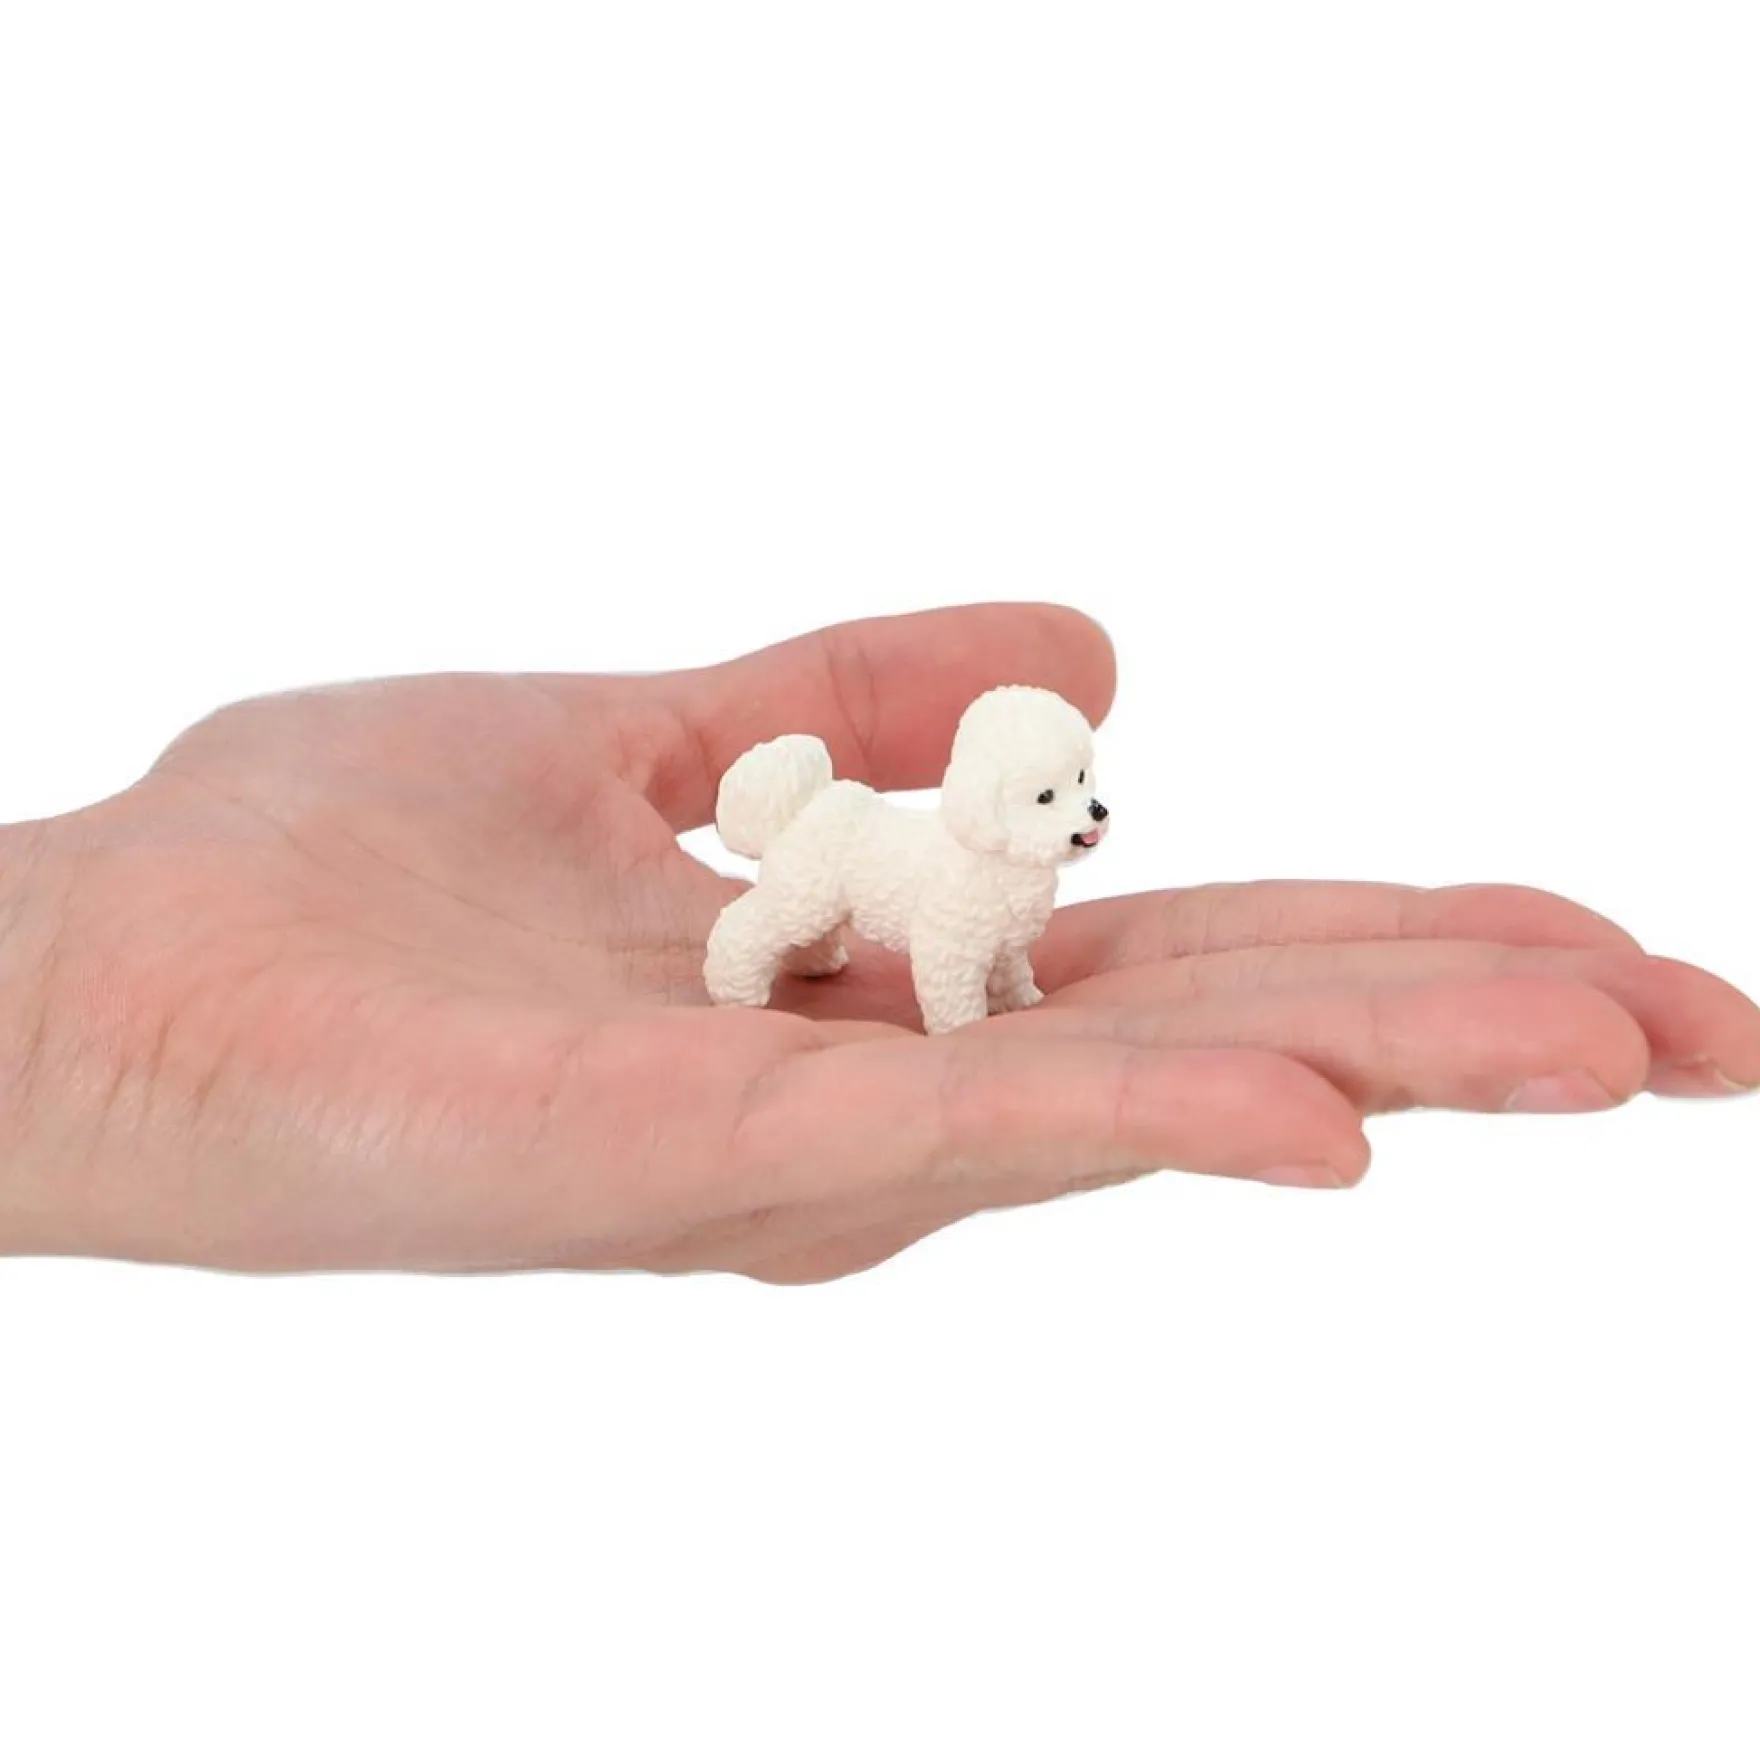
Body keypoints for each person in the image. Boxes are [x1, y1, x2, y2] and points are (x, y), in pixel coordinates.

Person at [0, 604, 1753, 1282]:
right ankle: (746, 964)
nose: (1082, 823)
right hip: (840, 863)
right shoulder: (926, 864)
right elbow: (949, 962)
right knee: (791, 916)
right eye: (1054, 804)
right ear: (990, 802)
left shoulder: (1012, 875)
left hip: (908, 874)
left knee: (988, 950)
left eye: (1082, 797)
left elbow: (999, 948)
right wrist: (71, 1005)